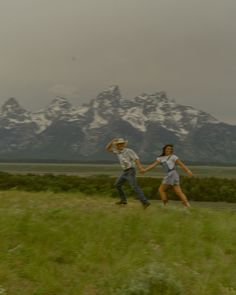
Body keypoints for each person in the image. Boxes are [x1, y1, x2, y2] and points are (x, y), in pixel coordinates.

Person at [106, 138, 150, 208]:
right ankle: (123, 201)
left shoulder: (129, 151)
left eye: (121, 144)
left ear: (124, 144)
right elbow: (107, 149)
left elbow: (136, 159)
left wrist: (140, 168)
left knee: (134, 187)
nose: (120, 145)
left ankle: (145, 202)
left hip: (130, 171)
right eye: (118, 144)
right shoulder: (117, 151)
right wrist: (112, 141)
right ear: (117, 145)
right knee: (117, 184)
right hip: (125, 171)